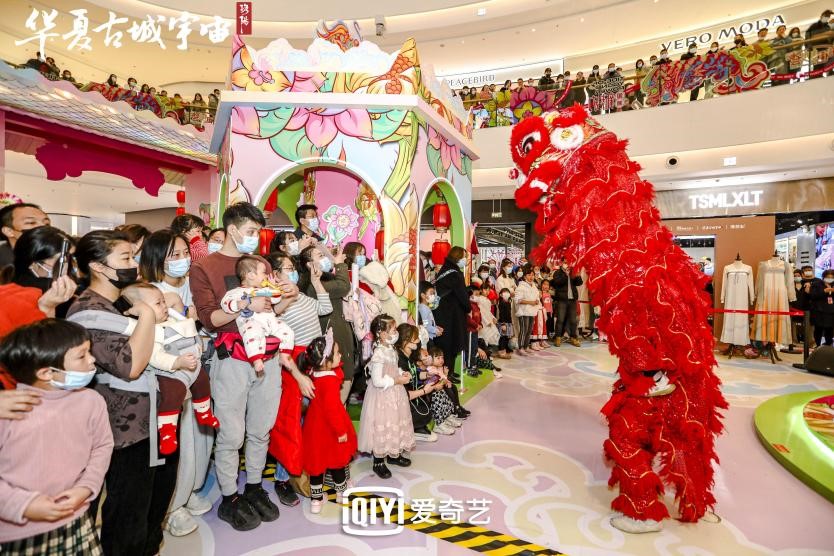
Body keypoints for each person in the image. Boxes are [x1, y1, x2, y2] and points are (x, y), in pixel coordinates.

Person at [189, 202, 312, 531]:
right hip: (232, 360)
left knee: (261, 430)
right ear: (232, 229)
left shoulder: (259, 264)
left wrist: (289, 295)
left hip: (269, 359)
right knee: (231, 434)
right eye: (251, 232)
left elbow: (275, 311)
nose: (256, 239)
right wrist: (244, 304)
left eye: (258, 232)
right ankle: (230, 496)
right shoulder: (205, 267)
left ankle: (255, 487)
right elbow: (210, 319)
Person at [67, 230, 175, 555]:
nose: (134, 264)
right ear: (98, 267)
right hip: (119, 431)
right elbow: (131, 365)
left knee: (145, 508)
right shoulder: (88, 310)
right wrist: (146, 316)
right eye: (125, 258)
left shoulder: (123, 299)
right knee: (125, 516)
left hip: (146, 421)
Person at [0, 319, 113, 555]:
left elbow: (102, 447)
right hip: (21, 533)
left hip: (77, 519)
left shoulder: (91, 401)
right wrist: (24, 505)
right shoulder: (8, 411)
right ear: (46, 372)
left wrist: (86, 487)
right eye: (82, 356)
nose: (92, 360)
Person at [265, 253, 333, 505]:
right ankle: (284, 478)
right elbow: (279, 344)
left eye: (293, 268)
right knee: (292, 423)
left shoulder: (300, 295)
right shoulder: (274, 304)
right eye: (287, 268)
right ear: (274, 275)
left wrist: (316, 282)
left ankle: (304, 469)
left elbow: (325, 308)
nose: (292, 272)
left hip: (314, 361)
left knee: (311, 420)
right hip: (293, 365)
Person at [121, 283, 218, 454]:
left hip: (191, 365)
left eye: (163, 302)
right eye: (158, 304)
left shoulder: (173, 320)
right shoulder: (149, 331)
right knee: (173, 394)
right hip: (169, 372)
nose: (165, 306)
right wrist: (177, 363)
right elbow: (155, 357)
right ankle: (167, 432)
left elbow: (188, 334)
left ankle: (204, 413)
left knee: (203, 381)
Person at [298, 333, 357, 514]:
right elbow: (332, 410)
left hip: (314, 427)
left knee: (316, 464)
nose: (340, 355)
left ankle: (316, 500)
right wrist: (340, 431)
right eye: (337, 353)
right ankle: (341, 492)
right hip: (330, 428)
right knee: (337, 461)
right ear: (326, 361)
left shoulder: (314, 373)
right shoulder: (330, 381)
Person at [357, 315, 416, 479]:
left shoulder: (391, 349)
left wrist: (400, 373)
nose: (395, 333)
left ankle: (393, 454)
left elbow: (393, 367)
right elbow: (376, 381)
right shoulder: (378, 353)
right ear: (380, 333)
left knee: (395, 423)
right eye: (392, 330)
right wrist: (397, 380)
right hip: (383, 395)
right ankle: (378, 461)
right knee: (383, 424)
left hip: (395, 393)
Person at [220, 255, 295, 376]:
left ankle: (284, 355)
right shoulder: (237, 292)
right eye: (264, 273)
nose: (266, 276)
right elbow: (225, 303)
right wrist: (239, 304)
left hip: (271, 322)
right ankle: (256, 359)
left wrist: (273, 287)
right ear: (250, 275)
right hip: (252, 322)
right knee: (252, 334)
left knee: (287, 330)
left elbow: (276, 299)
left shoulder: (263, 290)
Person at [298, 245, 355, 401]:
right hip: (330, 340)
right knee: (335, 395)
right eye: (320, 255)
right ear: (309, 265)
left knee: (343, 387)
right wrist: (340, 264)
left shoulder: (325, 280)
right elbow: (343, 286)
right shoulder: (313, 286)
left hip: (339, 335)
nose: (325, 258)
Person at [9, 226, 76, 316]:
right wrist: (47, 307)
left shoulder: (61, 290)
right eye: (60, 261)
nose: (67, 265)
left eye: (70, 257)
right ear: (32, 263)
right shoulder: (21, 297)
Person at [432, 247, 471, 380]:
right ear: (458, 257)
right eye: (464, 257)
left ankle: (447, 371)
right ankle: (448, 373)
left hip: (441, 313)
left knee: (445, 343)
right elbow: (462, 295)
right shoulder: (455, 273)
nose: (466, 260)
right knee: (452, 344)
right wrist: (468, 307)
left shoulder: (444, 270)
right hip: (453, 314)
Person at [139, 229, 196, 320]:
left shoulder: (195, 283)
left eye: (186, 252)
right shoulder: (152, 292)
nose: (184, 259)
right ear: (157, 259)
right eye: (176, 254)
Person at [0, 203, 51, 268]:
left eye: (47, 224)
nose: (43, 227)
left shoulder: (61, 258)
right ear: (9, 231)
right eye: (31, 222)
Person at [552, 260, 583, 347]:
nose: (567, 264)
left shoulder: (572, 271)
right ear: (561, 263)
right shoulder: (557, 272)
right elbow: (557, 283)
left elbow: (579, 283)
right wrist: (565, 274)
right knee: (560, 320)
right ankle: (558, 337)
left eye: (568, 262)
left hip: (572, 300)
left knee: (573, 321)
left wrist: (578, 276)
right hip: (562, 300)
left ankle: (573, 338)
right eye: (565, 262)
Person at [514, 265, 541, 355]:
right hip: (523, 311)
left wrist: (537, 300)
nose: (531, 277)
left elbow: (537, 296)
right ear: (525, 276)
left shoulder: (534, 286)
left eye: (532, 275)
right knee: (524, 329)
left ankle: (526, 346)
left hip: (532, 311)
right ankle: (520, 347)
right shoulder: (521, 286)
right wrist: (530, 302)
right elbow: (517, 300)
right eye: (529, 275)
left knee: (529, 330)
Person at [806, 10, 834, 78]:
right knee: (818, 67)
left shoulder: (829, 26)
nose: (827, 18)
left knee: (828, 64)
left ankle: (829, 74)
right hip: (816, 49)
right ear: (821, 16)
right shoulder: (814, 26)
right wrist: (809, 45)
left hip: (827, 49)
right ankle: (816, 77)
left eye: (828, 17)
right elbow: (809, 36)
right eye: (826, 16)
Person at [809, 269, 834, 347]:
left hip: (831, 312)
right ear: (823, 277)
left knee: (829, 329)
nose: (829, 278)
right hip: (819, 311)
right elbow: (813, 295)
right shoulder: (817, 284)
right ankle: (817, 345)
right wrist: (824, 291)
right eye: (828, 277)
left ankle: (828, 344)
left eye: (831, 277)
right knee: (818, 329)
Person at [496, 288, 514, 358]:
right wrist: (503, 324)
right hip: (503, 322)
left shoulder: (508, 302)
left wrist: (511, 322)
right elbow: (501, 314)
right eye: (504, 292)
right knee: (502, 337)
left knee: (507, 337)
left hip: (508, 322)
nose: (506, 293)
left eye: (507, 292)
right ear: (500, 294)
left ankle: (506, 348)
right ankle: (501, 350)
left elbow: (509, 314)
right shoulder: (501, 303)